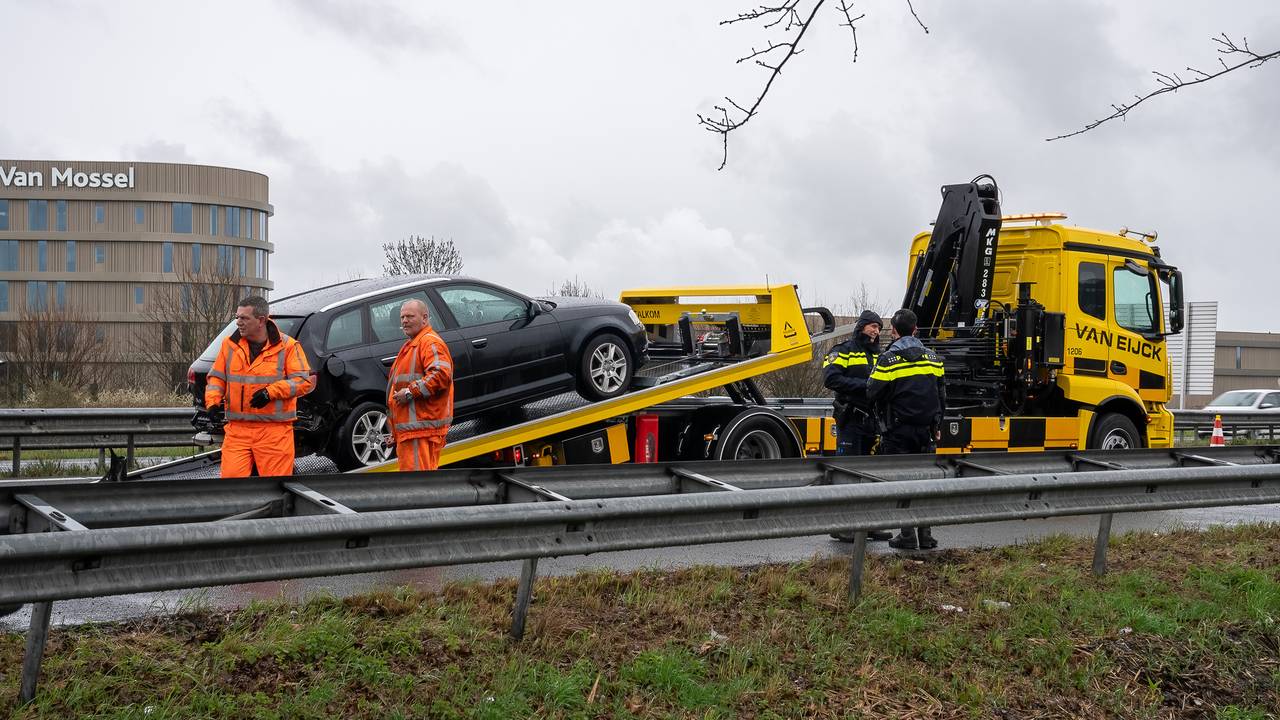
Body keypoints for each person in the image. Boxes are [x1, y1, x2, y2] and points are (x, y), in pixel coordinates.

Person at [206, 295, 314, 478]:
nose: (238, 322)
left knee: (274, 486)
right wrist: (213, 403)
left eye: (244, 318)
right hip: (237, 430)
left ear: (261, 320)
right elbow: (216, 377)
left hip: (274, 431)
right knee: (230, 486)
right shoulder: (229, 345)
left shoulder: (287, 346)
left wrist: (270, 392)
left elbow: (303, 381)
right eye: (237, 317)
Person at [867, 308, 946, 550]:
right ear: (915, 330)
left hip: (897, 431)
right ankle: (926, 535)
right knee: (925, 483)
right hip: (926, 431)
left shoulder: (888, 359)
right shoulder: (934, 359)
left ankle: (907, 535)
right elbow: (942, 396)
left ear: (894, 332)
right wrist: (937, 425)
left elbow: (872, 391)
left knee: (902, 482)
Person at [824, 309, 892, 542]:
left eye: (878, 328)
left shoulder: (878, 355)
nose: (875, 331)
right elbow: (831, 379)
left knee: (870, 475)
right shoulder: (843, 350)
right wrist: (866, 386)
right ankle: (842, 525)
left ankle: (868, 525)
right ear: (861, 326)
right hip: (851, 419)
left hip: (872, 421)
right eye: (872, 326)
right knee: (848, 474)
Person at [387, 298, 454, 471]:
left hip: (420, 432)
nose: (404, 321)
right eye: (402, 317)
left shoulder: (429, 342)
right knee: (418, 487)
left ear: (425, 318)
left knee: (418, 488)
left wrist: (410, 392)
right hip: (413, 432)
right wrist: (395, 433)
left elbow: (441, 374)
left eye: (410, 316)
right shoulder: (413, 345)